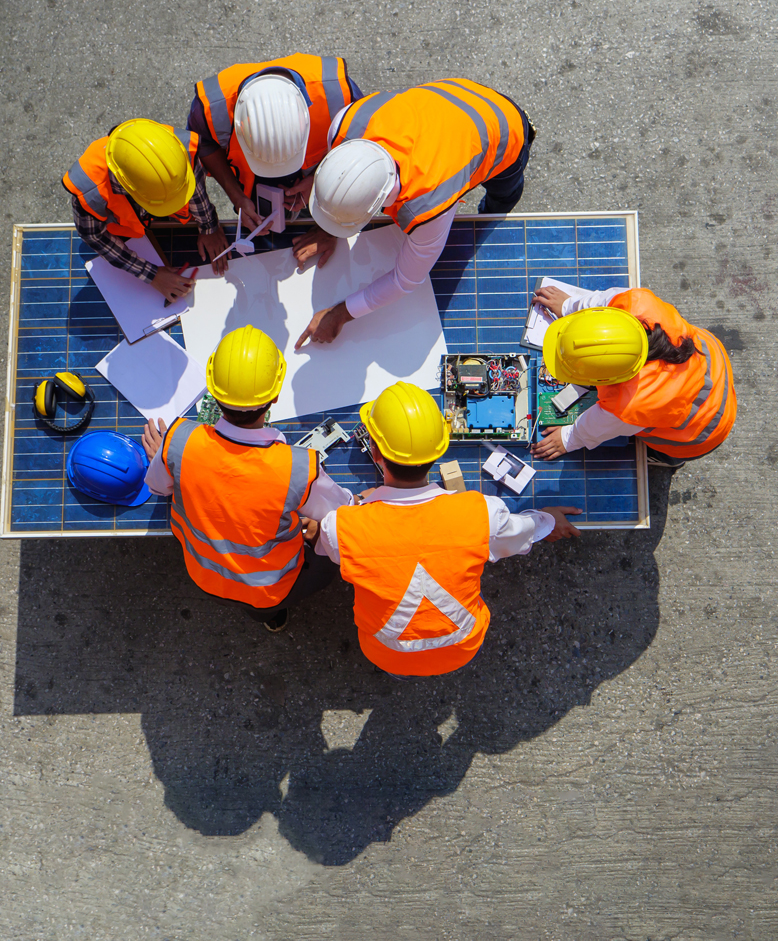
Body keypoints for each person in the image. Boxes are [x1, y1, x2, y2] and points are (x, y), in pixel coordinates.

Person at [314, 383, 580, 676]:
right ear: (440, 449)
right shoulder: (481, 514)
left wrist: (363, 504)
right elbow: (524, 532)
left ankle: (401, 670)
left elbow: (329, 544)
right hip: (462, 648)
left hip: (385, 653)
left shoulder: (342, 526)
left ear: (374, 452)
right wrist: (550, 519)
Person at [294, 78, 535, 348]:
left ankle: (491, 215)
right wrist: (329, 224)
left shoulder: (429, 207)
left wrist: (339, 314)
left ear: (377, 206)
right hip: (455, 95)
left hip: (504, 126)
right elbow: (343, 174)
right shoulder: (344, 125)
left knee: (503, 197)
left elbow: (404, 281)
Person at [144, 326, 356, 631]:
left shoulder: (179, 441)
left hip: (204, 575)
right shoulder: (296, 469)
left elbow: (158, 487)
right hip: (268, 589)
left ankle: (270, 615)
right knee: (327, 561)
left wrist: (163, 454)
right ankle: (270, 612)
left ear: (213, 392)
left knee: (256, 603)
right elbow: (343, 512)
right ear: (277, 395)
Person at [528, 286, 737, 467]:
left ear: (604, 379)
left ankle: (666, 460)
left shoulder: (631, 404)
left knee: (666, 450)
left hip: (703, 431)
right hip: (714, 364)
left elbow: (596, 427)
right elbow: (598, 303)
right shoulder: (635, 303)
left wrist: (567, 439)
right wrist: (568, 306)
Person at [186, 54, 365, 264]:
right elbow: (204, 143)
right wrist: (237, 196)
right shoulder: (209, 107)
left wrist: (319, 183)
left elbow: (361, 156)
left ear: (305, 117)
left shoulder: (340, 94)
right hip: (252, 185)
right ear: (239, 127)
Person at [62, 118, 232, 303]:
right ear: (126, 187)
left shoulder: (177, 153)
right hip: (124, 234)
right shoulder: (89, 191)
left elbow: (195, 189)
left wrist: (209, 227)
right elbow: (94, 236)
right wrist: (151, 275)